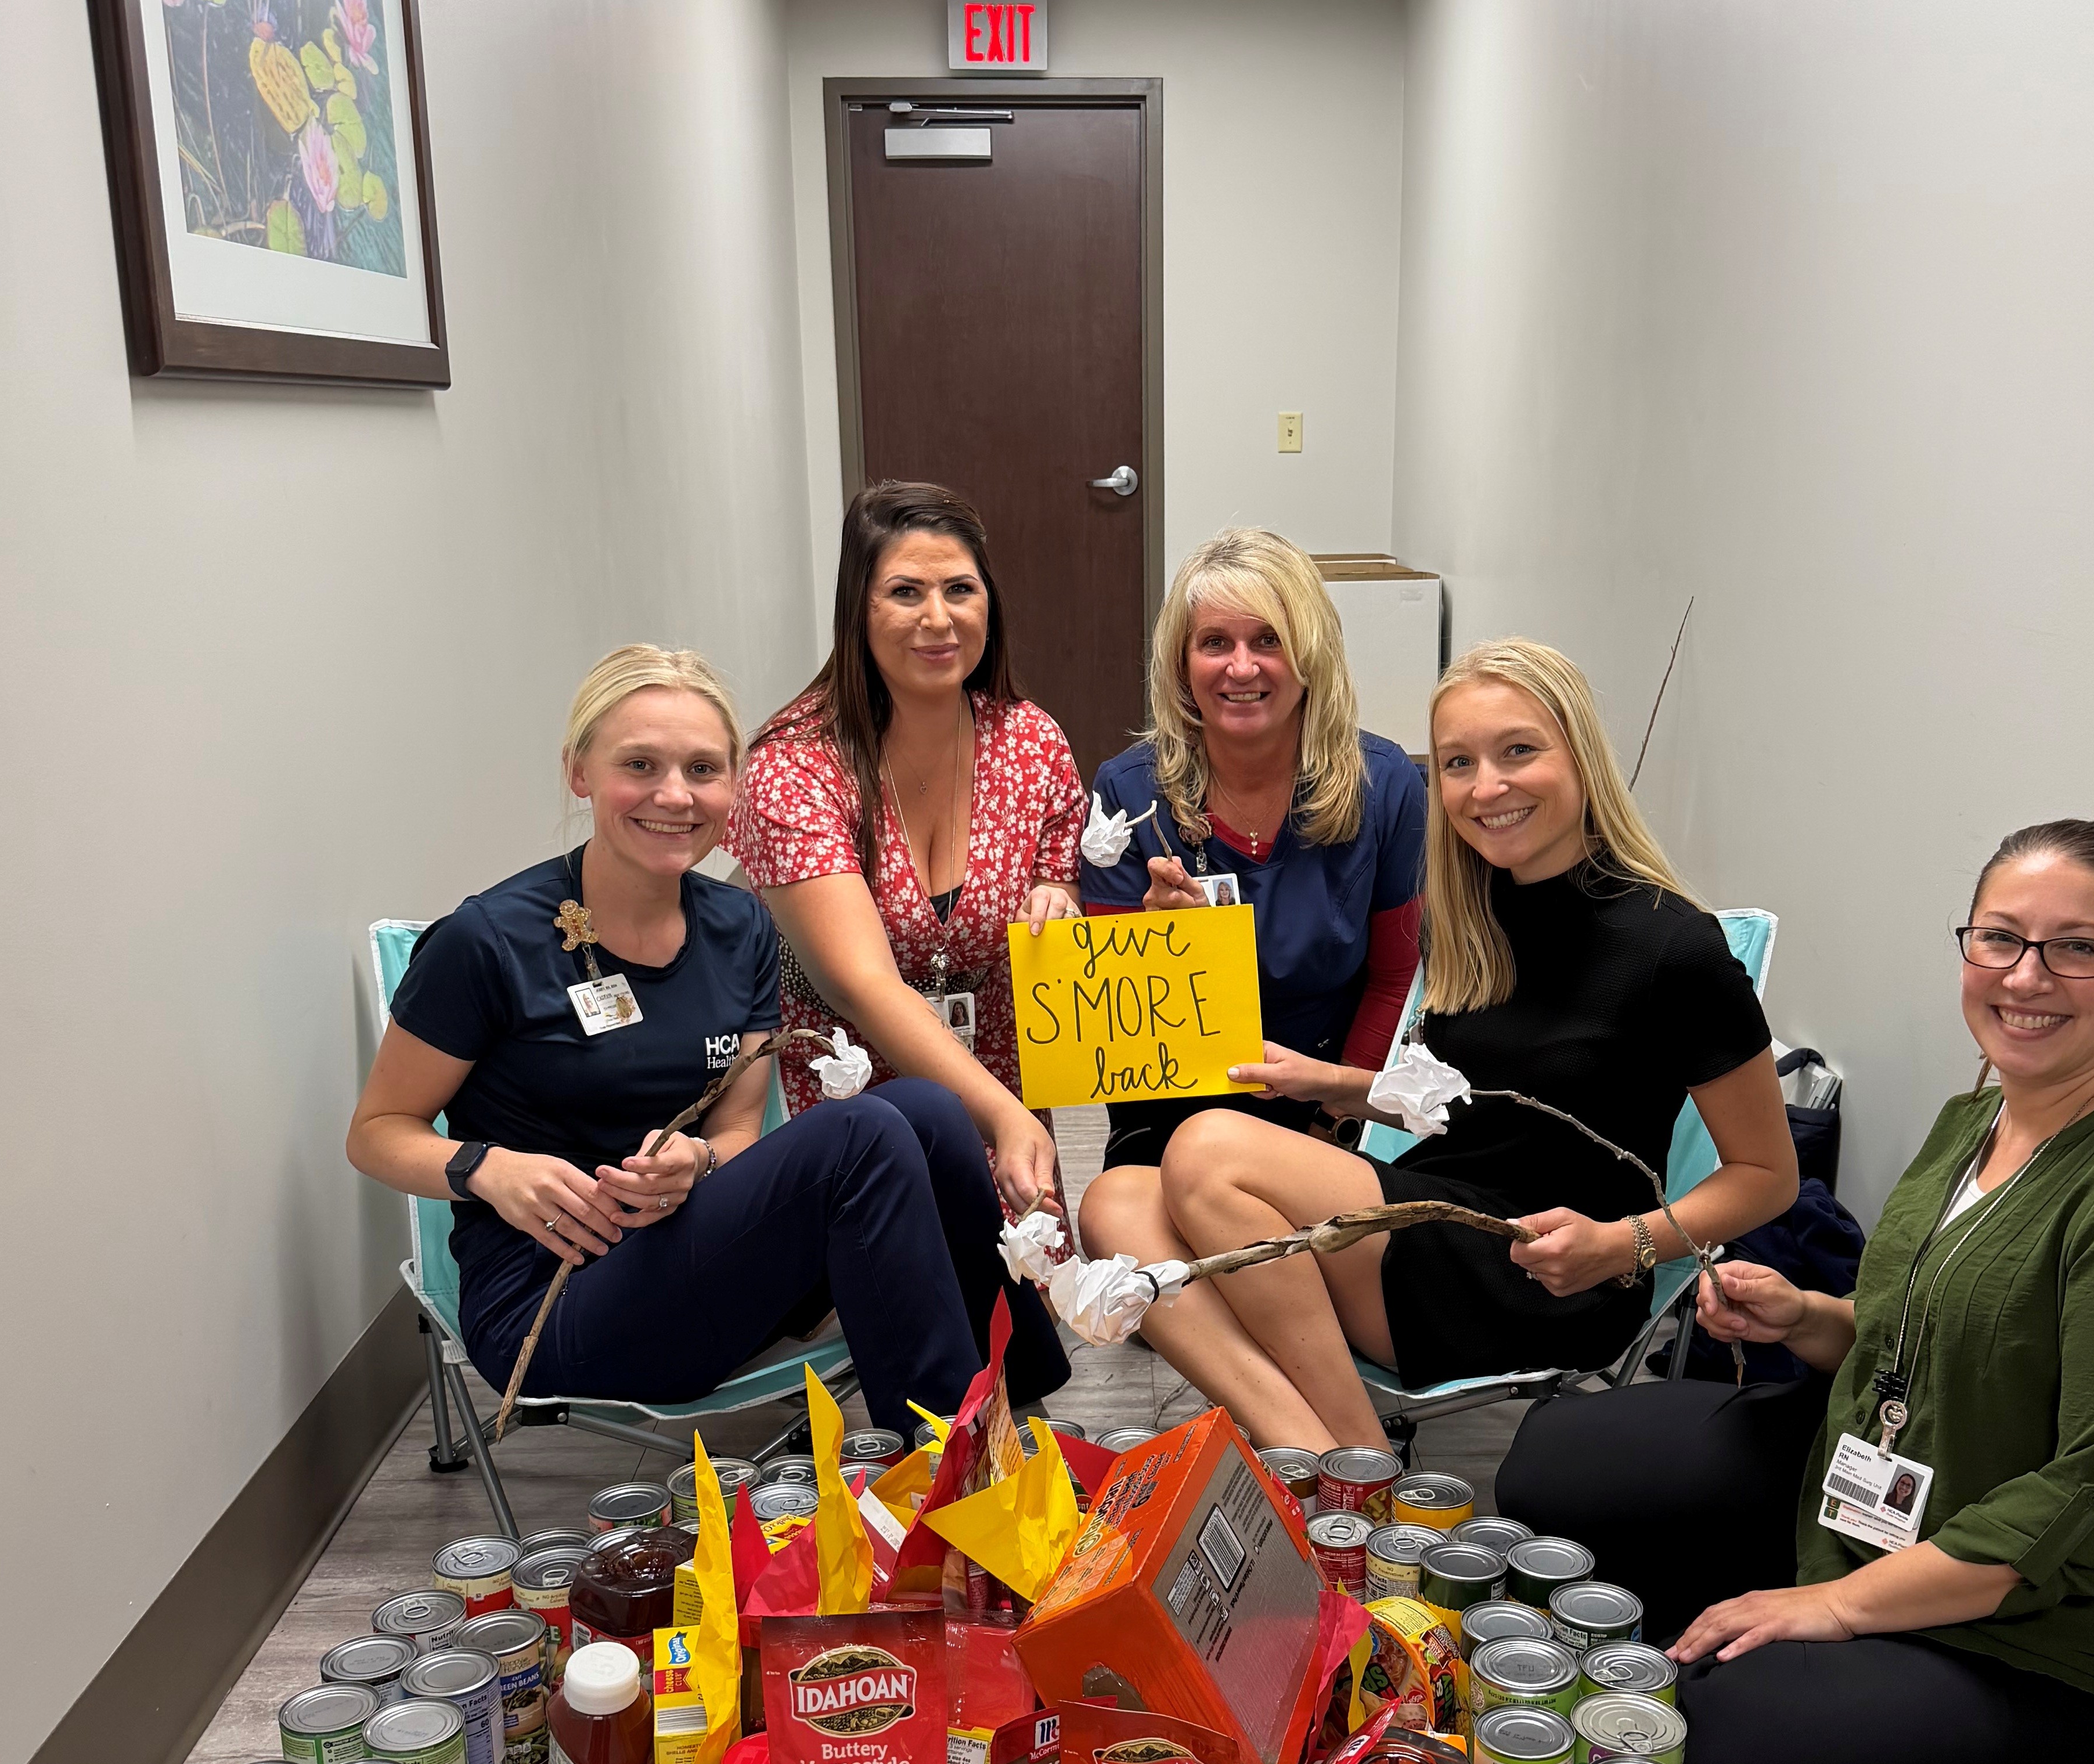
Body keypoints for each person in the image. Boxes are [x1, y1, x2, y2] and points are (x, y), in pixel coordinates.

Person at [1500, 818, 2094, 1764]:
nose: (2028, 977)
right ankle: (1800, 1621)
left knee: (1732, 1753)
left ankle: (1828, 1645)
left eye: (2079, 948)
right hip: (1894, 1502)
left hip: (2063, 1648)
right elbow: (1913, 1329)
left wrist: (1832, 1608)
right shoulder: (1982, 1115)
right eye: (2000, 939)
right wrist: (1806, 1317)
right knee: (1560, 1463)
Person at [346, 644, 1066, 1428]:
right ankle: (954, 1476)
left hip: (695, 1256)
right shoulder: (487, 942)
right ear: (580, 773)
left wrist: (702, 1159)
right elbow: (377, 1133)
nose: (674, 796)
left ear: (734, 787)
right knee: (861, 1133)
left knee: (926, 1111)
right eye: (641, 765)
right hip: (554, 1298)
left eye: (702, 770)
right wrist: (489, 1171)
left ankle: (1016, 1397)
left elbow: (734, 1132)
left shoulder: (741, 927)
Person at [1131, 640, 1799, 1455]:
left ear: (1580, 757)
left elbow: (1768, 1179)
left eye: (1518, 751)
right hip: (1437, 1211)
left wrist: (1624, 1243)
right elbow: (1464, 1104)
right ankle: (1312, 1453)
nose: (1487, 788)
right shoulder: (1475, 917)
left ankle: (1355, 1459)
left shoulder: (1674, 949)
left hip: (1546, 1271)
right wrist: (1333, 1082)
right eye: (1457, 763)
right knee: (1120, 1203)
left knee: (1205, 1149)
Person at [1076, 530, 1426, 1414]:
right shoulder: (1131, 795)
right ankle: (1319, 1439)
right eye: (1215, 643)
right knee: (1110, 1213)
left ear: (1308, 654)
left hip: (1320, 1117)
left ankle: (1315, 1446)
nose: (1242, 667)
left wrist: (1340, 1119)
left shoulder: (1384, 787)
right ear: (1181, 664)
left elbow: (1392, 981)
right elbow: (1121, 1048)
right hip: (1176, 1117)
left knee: (1214, 1236)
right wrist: (1159, 957)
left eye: (1267, 639)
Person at [729, 484, 1084, 1240]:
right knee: (921, 1326)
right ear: (857, 610)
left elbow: (1060, 863)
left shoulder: (1032, 742)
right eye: (904, 592)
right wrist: (1005, 1120)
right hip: (855, 1125)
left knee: (1017, 1328)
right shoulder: (795, 766)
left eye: (960, 589)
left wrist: (1059, 891)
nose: (937, 618)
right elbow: (859, 985)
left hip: (1007, 1114)